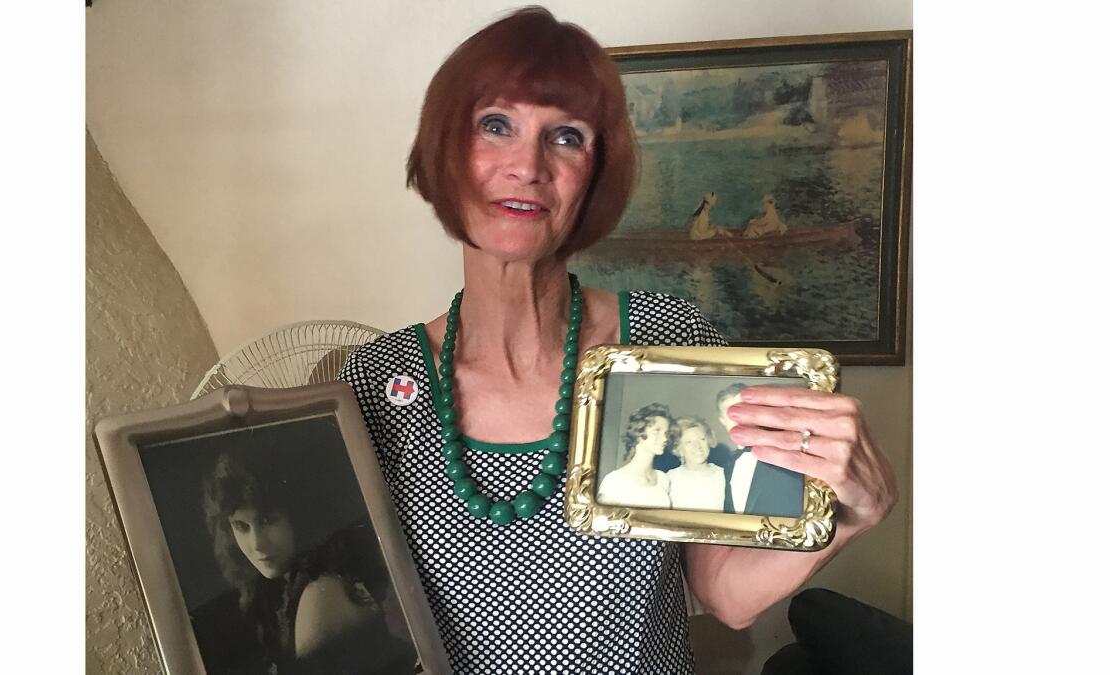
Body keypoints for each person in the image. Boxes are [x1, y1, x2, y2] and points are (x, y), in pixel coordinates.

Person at [338, 7, 897, 673]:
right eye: (495, 125)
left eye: (566, 137)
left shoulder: (670, 339)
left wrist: (856, 513)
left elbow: (726, 590)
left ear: (595, 176)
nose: (527, 165)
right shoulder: (374, 382)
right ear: (445, 151)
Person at [202, 449, 417, 675]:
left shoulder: (321, 594)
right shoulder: (283, 590)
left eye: (268, 521)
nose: (256, 544)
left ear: (299, 515)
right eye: (241, 526)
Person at [708, 382, 805, 517]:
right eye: (732, 414)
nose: (739, 419)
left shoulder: (787, 453)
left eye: (744, 410)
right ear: (723, 421)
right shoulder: (727, 467)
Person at [596, 402, 674, 508]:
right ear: (638, 433)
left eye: (666, 433)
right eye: (657, 431)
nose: (665, 439)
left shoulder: (663, 479)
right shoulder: (615, 481)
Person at [666, 415, 728, 511]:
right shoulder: (669, 479)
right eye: (689, 442)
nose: (698, 446)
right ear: (678, 449)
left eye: (702, 439)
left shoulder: (724, 475)